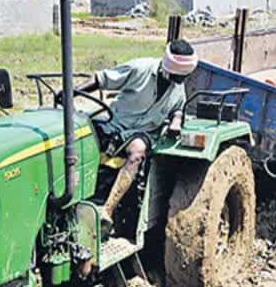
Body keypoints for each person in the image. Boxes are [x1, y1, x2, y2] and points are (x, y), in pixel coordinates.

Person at [70, 39, 198, 226]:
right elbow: (102, 78)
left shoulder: (177, 85)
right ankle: (72, 199)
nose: (179, 83)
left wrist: (176, 122)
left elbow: (178, 107)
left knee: (137, 150)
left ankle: (106, 210)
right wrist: (73, 92)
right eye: (177, 77)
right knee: (79, 136)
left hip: (143, 132)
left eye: (182, 79)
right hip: (115, 124)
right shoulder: (140, 68)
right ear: (167, 67)